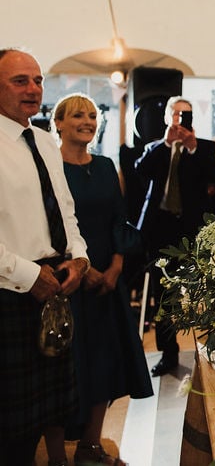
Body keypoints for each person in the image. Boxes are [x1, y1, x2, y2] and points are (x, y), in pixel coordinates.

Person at [47, 93, 152, 466]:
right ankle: (57, 454)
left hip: (108, 281)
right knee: (66, 366)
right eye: (78, 115)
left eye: (92, 115)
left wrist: (117, 266)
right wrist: (82, 267)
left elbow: (118, 219)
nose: (88, 121)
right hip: (68, 281)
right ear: (58, 123)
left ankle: (91, 445)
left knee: (106, 360)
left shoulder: (107, 166)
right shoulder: (49, 166)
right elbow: (50, 223)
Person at [0, 48, 91, 465]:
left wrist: (80, 257)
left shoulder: (42, 140)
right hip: (10, 293)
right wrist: (26, 274)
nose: (33, 89)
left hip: (57, 283)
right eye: (21, 81)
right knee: (12, 432)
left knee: (53, 411)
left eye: (38, 81)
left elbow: (64, 208)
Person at [135, 96, 215, 376]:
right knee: (163, 296)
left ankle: (209, 349)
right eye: (177, 114)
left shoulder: (205, 147)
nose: (182, 120)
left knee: (201, 290)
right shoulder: (155, 147)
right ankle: (168, 354)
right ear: (168, 117)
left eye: (187, 115)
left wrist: (193, 148)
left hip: (191, 228)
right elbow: (140, 172)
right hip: (159, 228)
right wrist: (167, 143)